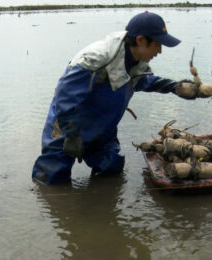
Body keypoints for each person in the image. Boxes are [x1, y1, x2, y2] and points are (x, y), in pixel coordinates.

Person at [32, 11, 192, 184]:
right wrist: (71, 135)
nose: (160, 50)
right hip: (69, 122)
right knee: (52, 178)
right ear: (140, 40)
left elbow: (142, 81)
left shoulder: (136, 60)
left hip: (102, 125)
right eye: (157, 44)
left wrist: (175, 87)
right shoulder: (95, 59)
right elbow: (64, 98)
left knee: (111, 167)